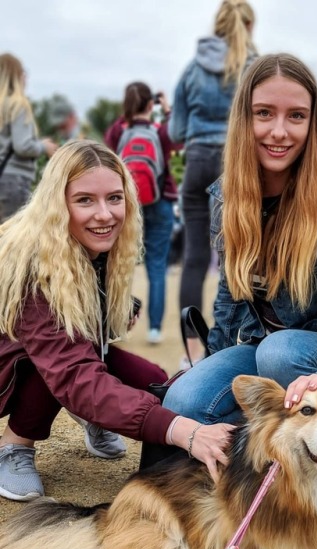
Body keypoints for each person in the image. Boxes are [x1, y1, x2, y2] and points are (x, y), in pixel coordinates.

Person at [140, 54, 317, 480]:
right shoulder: (226, 198)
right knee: (183, 401)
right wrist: (210, 361)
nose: (278, 131)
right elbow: (230, 295)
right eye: (264, 114)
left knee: (278, 353)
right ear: (243, 119)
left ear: (313, 124)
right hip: (260, 347)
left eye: (296, 116)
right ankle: (269, 451)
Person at [0, 139, 233, 502]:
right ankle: (16, 445)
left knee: (158, 385)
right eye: (84, 200)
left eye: (114, 197)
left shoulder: (99, 245)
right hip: (16, 366)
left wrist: (119, 309)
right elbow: (74, 373)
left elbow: (90, 333)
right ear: (56, 205)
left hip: (63, 352)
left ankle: (95, 413)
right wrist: (181, 431)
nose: (105, 214)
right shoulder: (33, 264)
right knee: (63, 373)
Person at [169, 0, 258, 366]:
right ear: (249, 27)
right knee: (237, 255)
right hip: (234, 164)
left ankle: (191, 356)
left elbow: (175, 129)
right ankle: (230, 351)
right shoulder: (252, 67)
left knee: (194, 259)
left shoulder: (192, 68)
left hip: (196, 162)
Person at [105, 82, 178, 344]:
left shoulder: (119, 131)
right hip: (161, 202)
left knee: (120, 264)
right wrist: (167, 108)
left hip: (127, 202)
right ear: (151, 105)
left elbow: (107, 150)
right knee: (157, 267)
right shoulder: (159, 132)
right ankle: (155, 329)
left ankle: (116, 323)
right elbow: (177, 135)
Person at [0, 53, 57, 222]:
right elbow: (22, 146)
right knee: (13, 238)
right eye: (22, 72)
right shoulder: (18, 104)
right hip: (14, 181)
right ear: (16, 76)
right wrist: (43, 147)